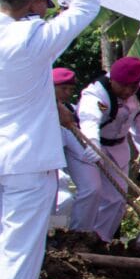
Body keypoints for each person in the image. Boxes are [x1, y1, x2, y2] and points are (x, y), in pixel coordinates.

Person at [1, 0, 100, 279]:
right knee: (18, 256)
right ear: (32, 5)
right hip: (25, 163)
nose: (48, 6)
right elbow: (85, 8)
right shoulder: (30, 40)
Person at [73, 56, 140, 240]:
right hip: (88, 144)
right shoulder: (96, 94)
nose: (127, 91)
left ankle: (101, 239)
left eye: (132, 87)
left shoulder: (139, 90)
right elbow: (89, 120)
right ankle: (78, 236)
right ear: (112, 80)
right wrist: (93, 144)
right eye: (122, 86)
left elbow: (139, 125)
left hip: (118, 146)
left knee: (117, 198)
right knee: (91, 190)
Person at [52, 67, 98, 231]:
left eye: (70, 89)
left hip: (60, 163)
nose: (67, 93)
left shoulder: (71, 112)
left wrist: (92, 153)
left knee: (91, 189)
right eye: (63, 88)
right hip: (41, 165)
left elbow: (79, 150)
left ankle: (78, 232)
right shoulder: (38, 112)